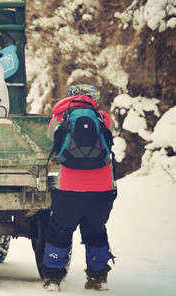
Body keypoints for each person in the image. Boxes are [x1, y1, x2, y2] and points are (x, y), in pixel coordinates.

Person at [42, 84, 117, 291]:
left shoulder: (61, 117)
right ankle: (97, 278)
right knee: (96, 231)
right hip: (101, 189)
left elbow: (50, 138)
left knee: (60, 230)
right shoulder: (103, 117)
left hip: (69, 187)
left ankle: (53, 279)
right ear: (94, 99)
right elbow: (110, 138)